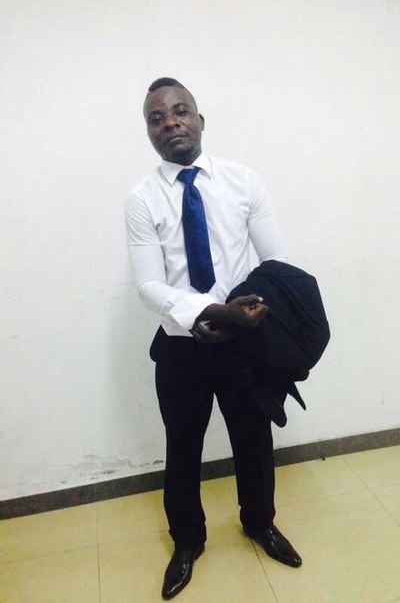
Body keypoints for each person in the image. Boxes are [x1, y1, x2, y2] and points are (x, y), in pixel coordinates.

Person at [125, 77, 302, 600]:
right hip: (181, 345)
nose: (170, 122)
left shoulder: (243, 182)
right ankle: (187, 541)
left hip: (243, 339)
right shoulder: (141, 199)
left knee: (253, 439)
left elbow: (276, 261)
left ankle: (260, 523)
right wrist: (203, 312)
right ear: (149, 132)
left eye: (180, 111)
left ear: (200, 120)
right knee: (183, 445)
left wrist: (244, 310)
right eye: (157, 118)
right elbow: (149, 285)